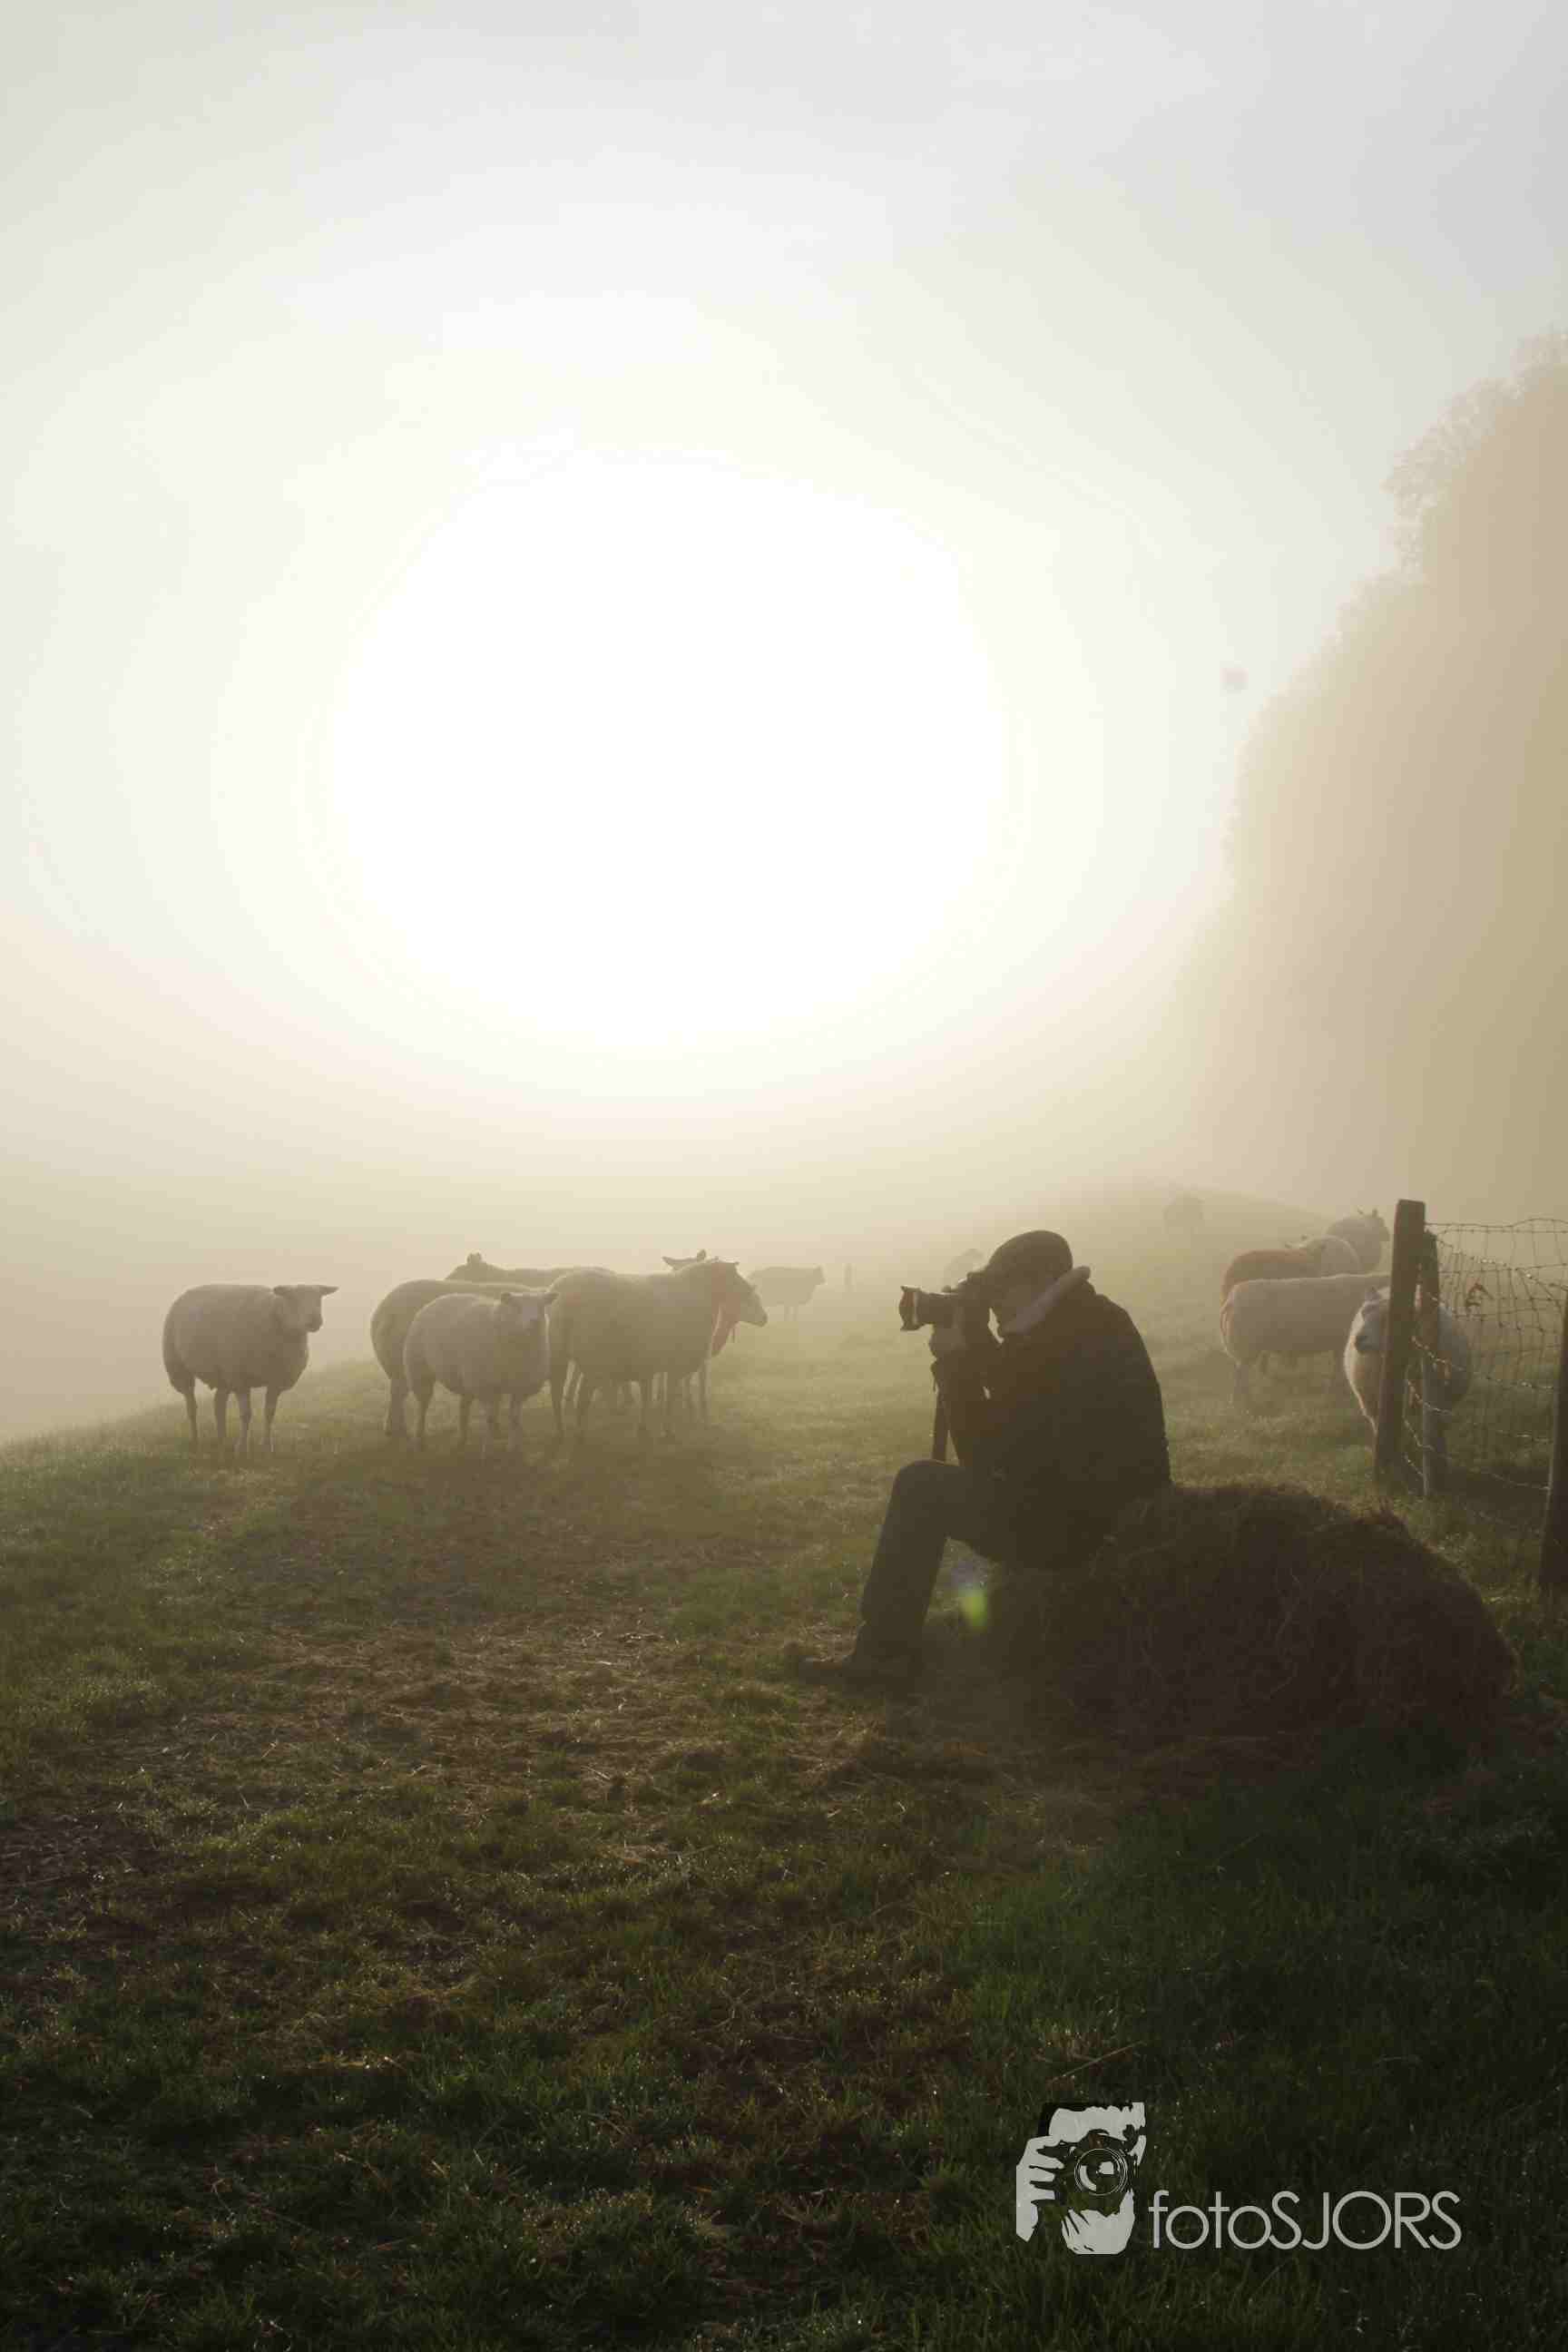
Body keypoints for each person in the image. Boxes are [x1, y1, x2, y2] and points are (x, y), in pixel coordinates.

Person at [797, 1230, 1171, 1692]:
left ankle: (882, 1657)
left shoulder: (1063, 1336)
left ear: (1040, 1282)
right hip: (1110, 1511)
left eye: (1002, 1290)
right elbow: (1022, 1397)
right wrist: (973, 1343)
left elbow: (988, 1455)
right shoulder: (1087, 1321)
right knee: (929, 1485)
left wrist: (957, 1367)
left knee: (920, 1487)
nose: (994, 1304)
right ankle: (887, 1652)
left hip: (1086, 1527)